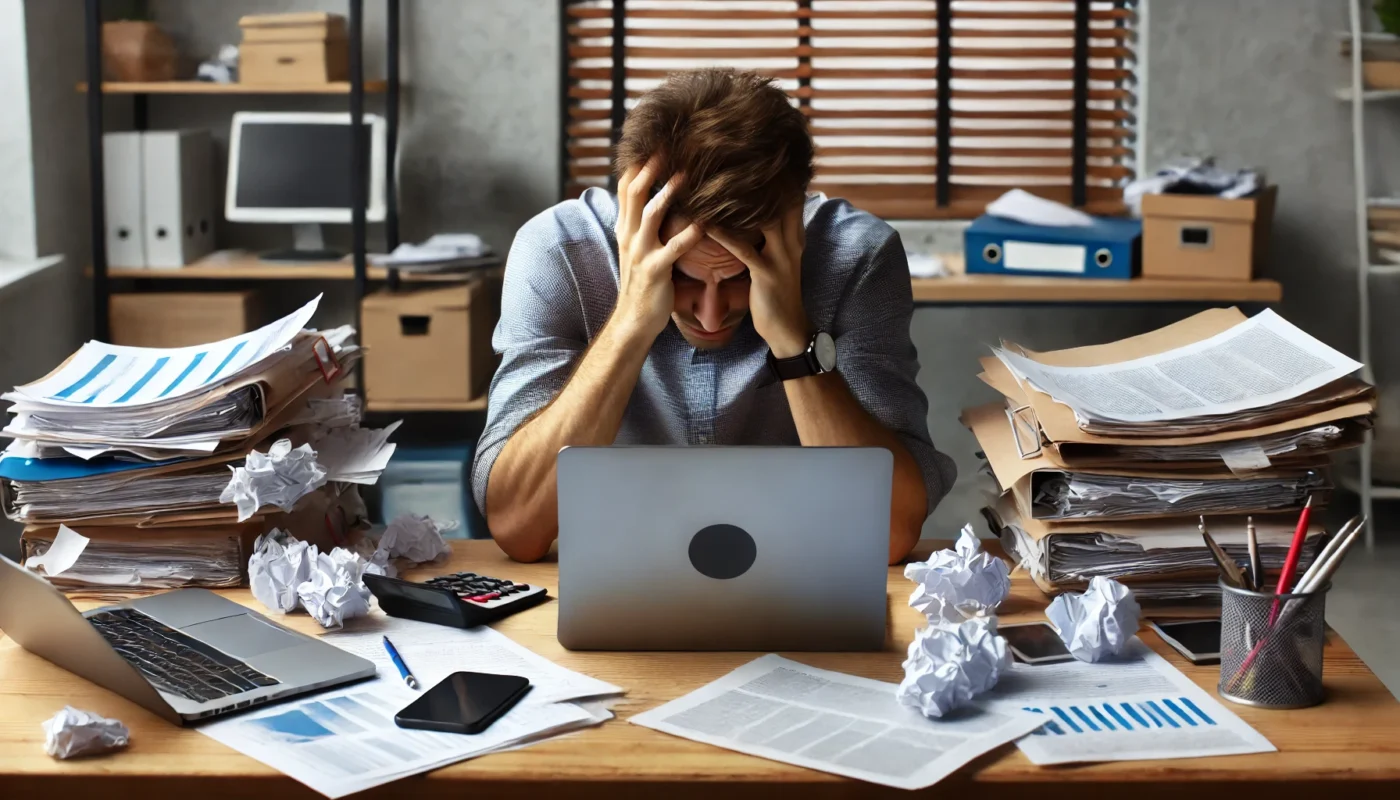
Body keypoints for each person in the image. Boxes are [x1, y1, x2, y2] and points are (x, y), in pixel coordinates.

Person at [471, 68, 956, 564]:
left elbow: (890, 533)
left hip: (801, 579)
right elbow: (516, 526)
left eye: (739, 278)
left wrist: (793, 338)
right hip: (617, 578)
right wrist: (631, 321)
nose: (709, 315)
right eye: (682, 277)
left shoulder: (856, 256)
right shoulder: (561, 250)